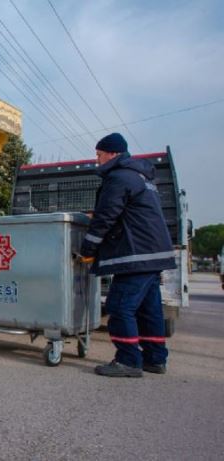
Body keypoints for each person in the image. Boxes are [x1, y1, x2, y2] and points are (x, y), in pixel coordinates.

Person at [80, 133, 176, 377]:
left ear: (112, 154)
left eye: (99, 155)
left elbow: (106, 216)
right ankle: (155, 359)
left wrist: (88, 249)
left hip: (136, 254)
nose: (97, 160)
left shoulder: (119, 177)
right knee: (148, 309)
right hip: (152, 253)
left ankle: (129, 361)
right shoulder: (140, 177)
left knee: (120, 306)